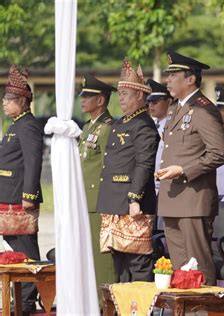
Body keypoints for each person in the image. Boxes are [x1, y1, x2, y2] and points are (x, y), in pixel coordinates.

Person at [157, 51, 224, 285]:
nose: (168, 80)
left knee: (198, 265)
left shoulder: (203, 109)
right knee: (179, 268)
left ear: (191, 79)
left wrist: (184, 169)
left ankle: (204, 310)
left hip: (193, 199)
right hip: (172, 197)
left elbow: (219, 153)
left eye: (173, 75)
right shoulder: (175, 109)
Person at [96, 58, 158, 282]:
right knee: (120, 264)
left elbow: (144, 164)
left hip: (132, 204)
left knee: (138, 263)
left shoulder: (143, 125)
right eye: (120, 94)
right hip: (115, 201)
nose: (121, 98)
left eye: (126, 94)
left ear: (140, 96)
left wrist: (134, 198)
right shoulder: (122, 122)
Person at [0, 65, 43, 312]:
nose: (4, 103)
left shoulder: (27, 125)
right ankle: (19, 296)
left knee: (25, 252)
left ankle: (27, 299)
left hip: (20, 199)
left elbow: (33, 161)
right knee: (13, 252)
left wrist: (29, 195)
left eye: (9, 100)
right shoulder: (15, 124)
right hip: (8, 197)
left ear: (23, 102)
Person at [78, 74, 117, 297]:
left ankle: (106, 304)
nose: (82, 100)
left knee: (101, 256)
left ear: (100, 101)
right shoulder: (88, 127)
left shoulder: (107, 127)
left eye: (88, 96)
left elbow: (107, 165)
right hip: (85, 197)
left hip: (98, 199)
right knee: (87, 254)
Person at [146, 79, 173, 195]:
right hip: (152, 183)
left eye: (155, 102)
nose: (151, 105)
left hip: (165, 183)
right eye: (149, 102)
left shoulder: (172, 127)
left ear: (169, 102)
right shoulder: (151, 125)